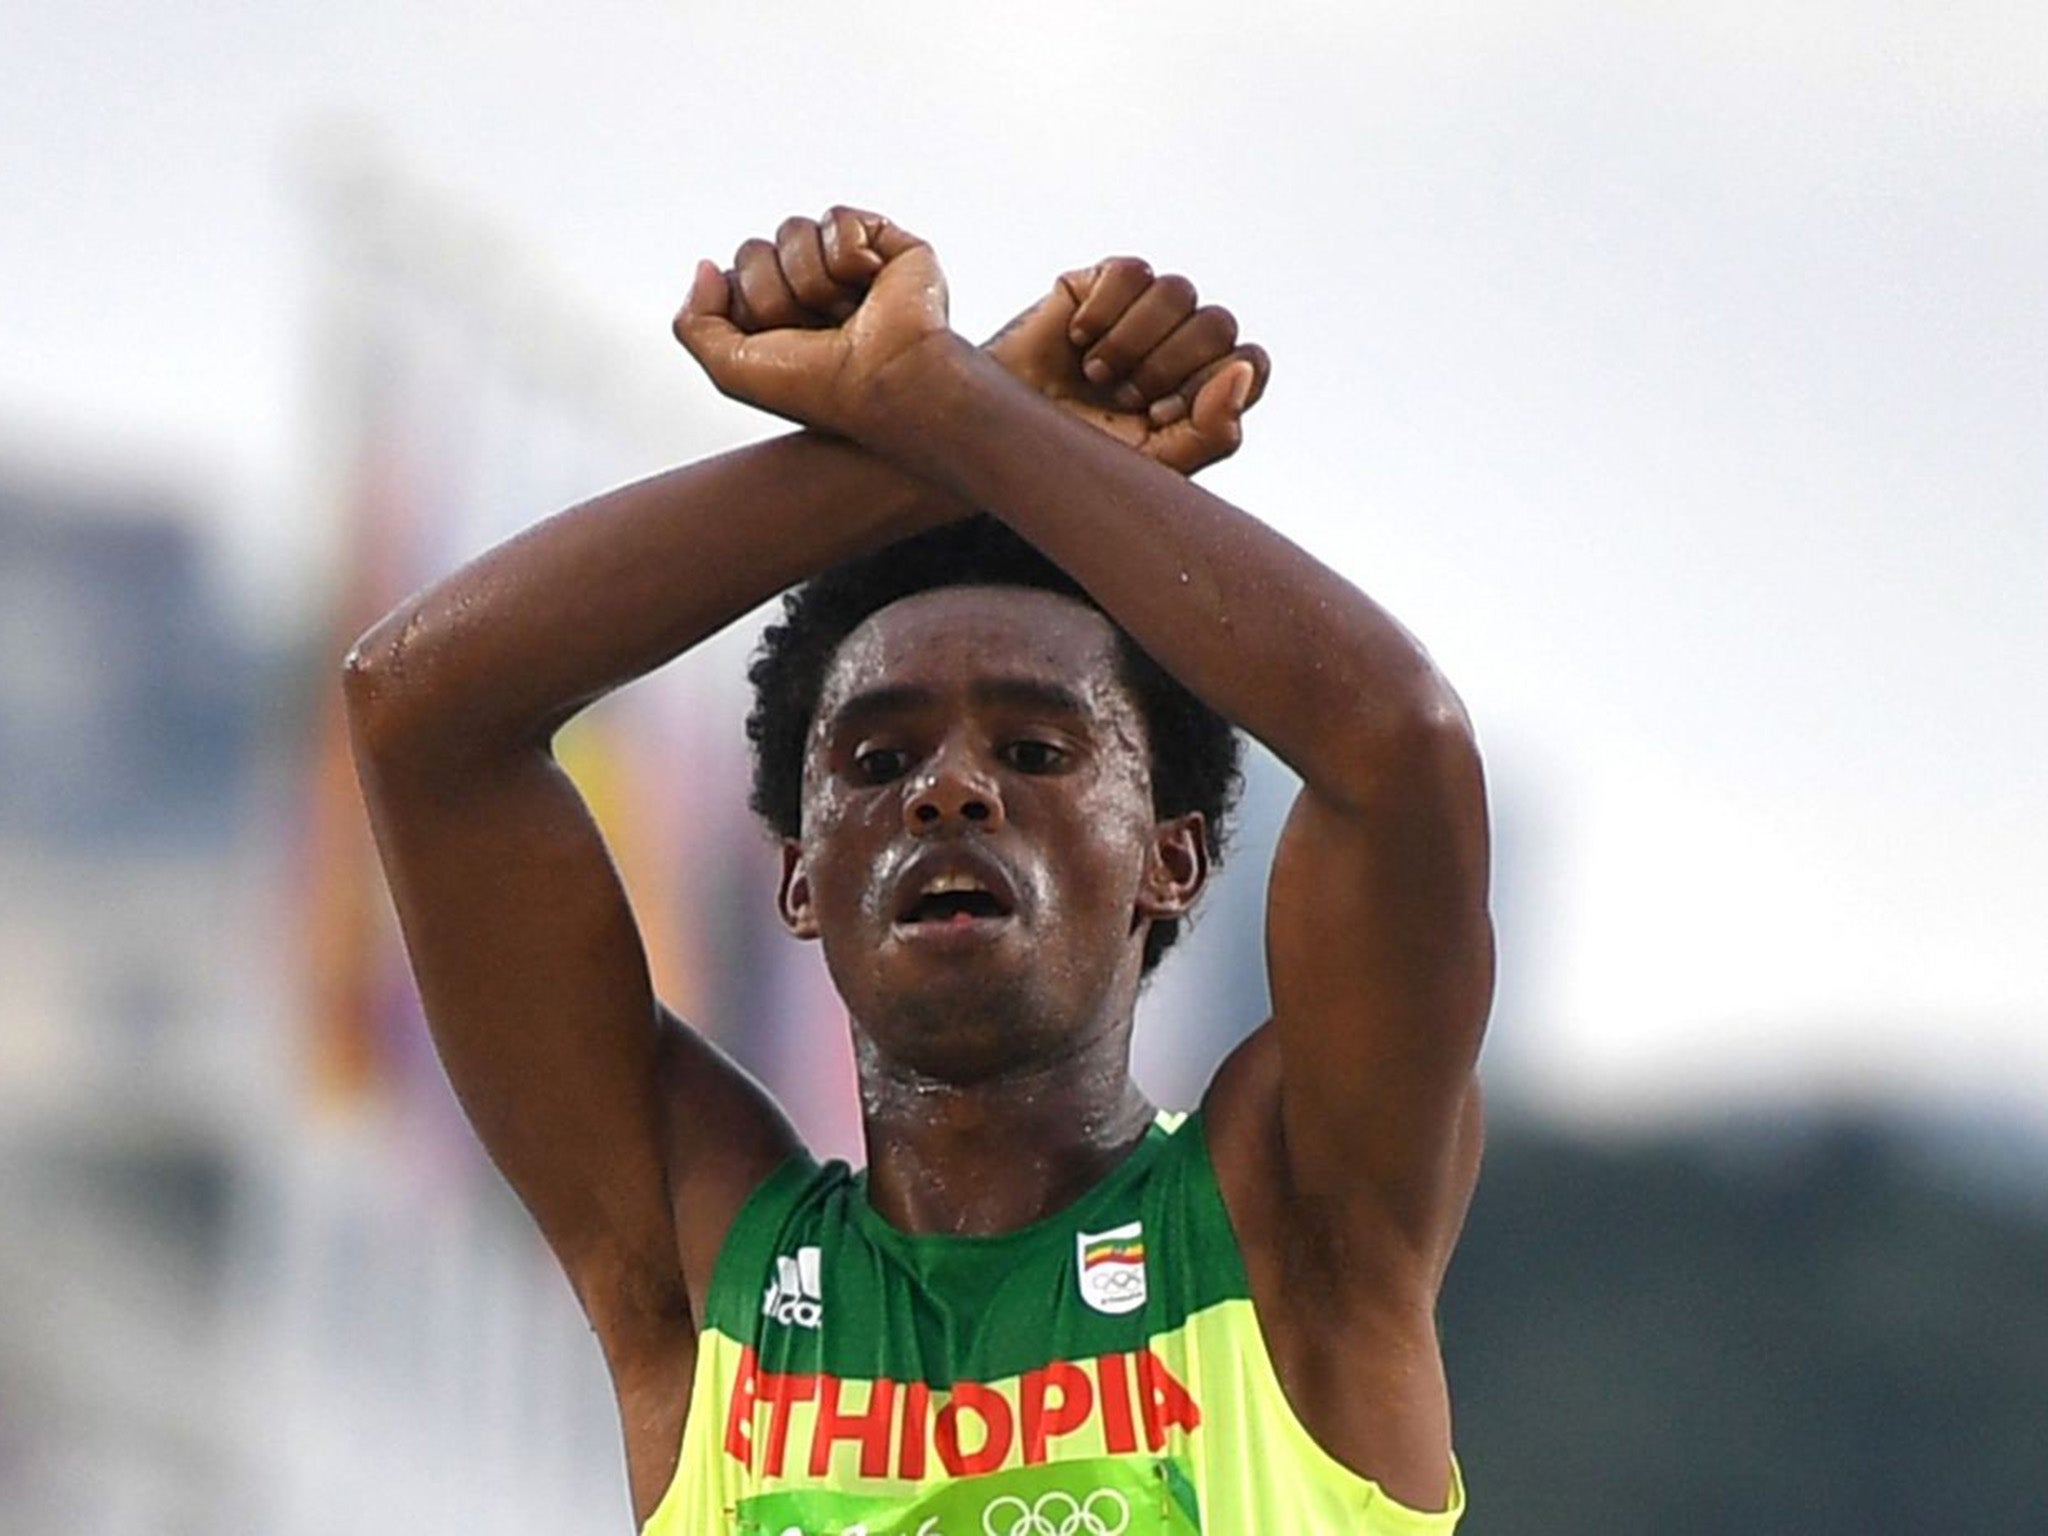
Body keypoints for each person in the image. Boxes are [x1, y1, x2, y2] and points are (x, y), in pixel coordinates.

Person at [345, 207, 1492, 1535]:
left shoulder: (1294, 1223)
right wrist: (952, 425)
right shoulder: (707, 1271)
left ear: (1168, 858)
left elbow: (1399, 747)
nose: (951, 789)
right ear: (796, 879)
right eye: (878, 764)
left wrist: (950, 412)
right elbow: (418, 704)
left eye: (1037, 748)